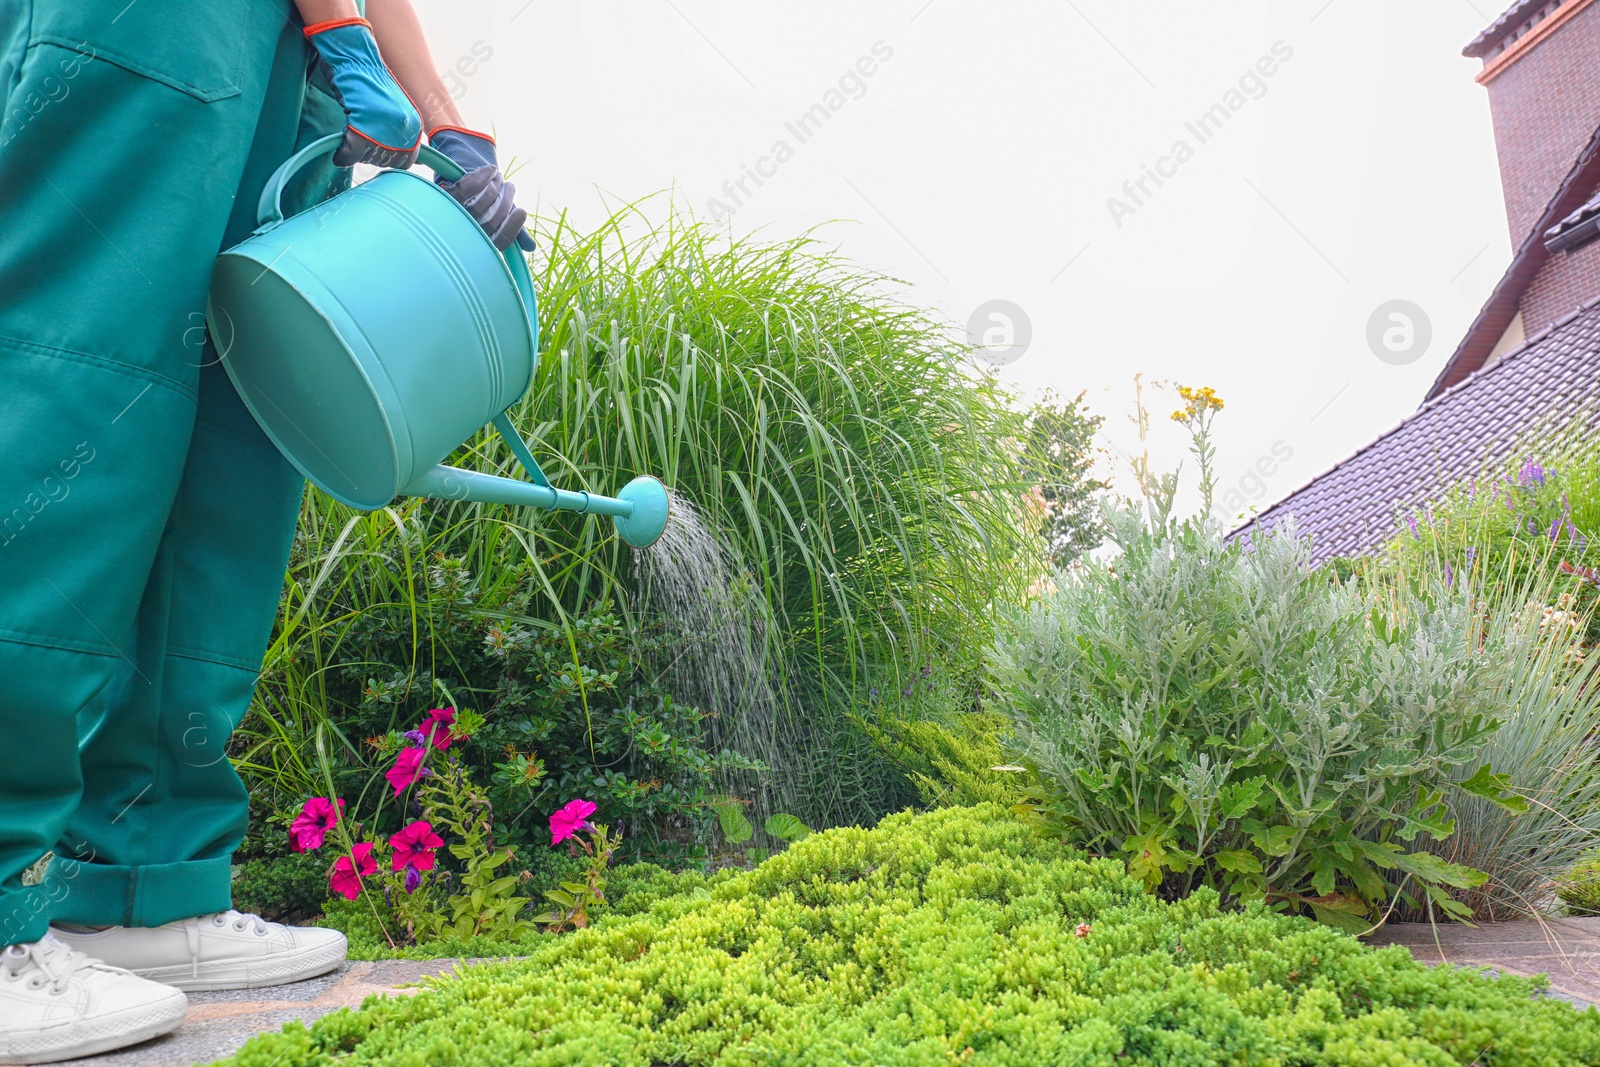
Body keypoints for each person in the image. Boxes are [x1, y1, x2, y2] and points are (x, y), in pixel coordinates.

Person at [0, 1, 529, 1061]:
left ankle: (140, 881)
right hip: (147, 31)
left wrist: (439, 113)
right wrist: (340, 30)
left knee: (224, 455)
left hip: (279, 53)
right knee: (73, 402)